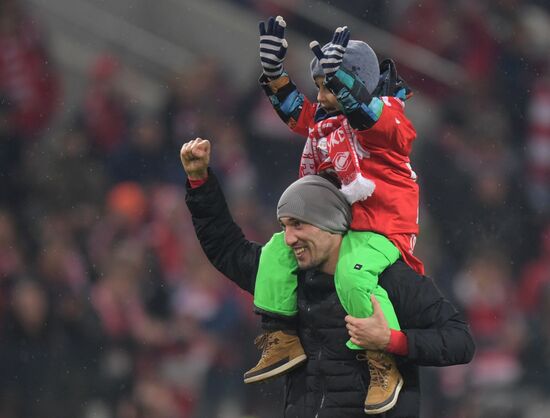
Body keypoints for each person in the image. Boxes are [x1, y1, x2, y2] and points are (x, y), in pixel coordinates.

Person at [180, 138, 475, 418]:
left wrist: (391, 340)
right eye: (285, 226)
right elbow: (226, 249)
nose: (289, 238)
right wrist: (199, 181)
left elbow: (460, 341)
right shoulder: (287, 278)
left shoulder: (387, 277)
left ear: (331, 224)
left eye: (298, 225)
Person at [253, 16, 422, 413]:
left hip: (384, 230)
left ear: (357, 82)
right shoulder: (329, 121)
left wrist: (345, 86)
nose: (322, 95)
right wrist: (275, 74)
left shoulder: (390, 117)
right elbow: (299, 114)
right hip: (343, 228)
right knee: (276, 250)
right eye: (321, 86)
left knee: (351, 273)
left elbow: (374, 121)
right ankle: (281, 336)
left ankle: (382, 361)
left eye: (329, 86)